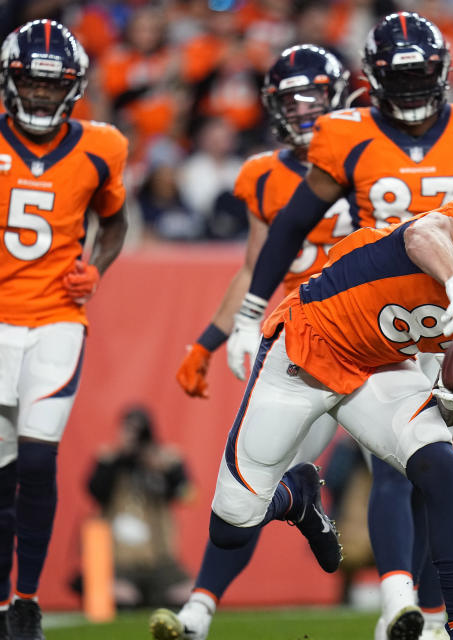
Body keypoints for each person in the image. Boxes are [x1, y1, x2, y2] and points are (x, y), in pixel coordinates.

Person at [224, 13, 453, 640]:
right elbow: (292, 222)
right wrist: (248, 308)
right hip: (379, 311)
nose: (412, 90)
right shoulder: (348, 135)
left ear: (443, 73)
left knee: (434, 463)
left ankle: (425, 612)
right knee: (393, 464)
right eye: (400, 79)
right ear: (373, 81)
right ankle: (396, 601)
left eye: (421, 76)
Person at [185, 197, 453, 640]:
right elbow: (422, 235)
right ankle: (295, 498)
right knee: (232, 526)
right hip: (307, 346)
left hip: (380, 366)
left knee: (439, 465)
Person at [0, 20, 128, 640]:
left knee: (39, 459)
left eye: (52, 86)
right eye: (30, 85)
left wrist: (97, 264)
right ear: (9, 82)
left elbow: (115, 222)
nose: (39, 97)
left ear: (74, 87)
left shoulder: (101, 146)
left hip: (57, 319)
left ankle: (28, 603)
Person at [151, 43, 354, 640]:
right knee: (257, 480)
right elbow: (250, 268)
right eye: (294, 99)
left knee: (414, 467)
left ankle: (413, 607)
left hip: (373, 331)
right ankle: (201, 608)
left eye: (315, 95)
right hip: (301, 342)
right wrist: (209, 340)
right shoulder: (263, 173)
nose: (306, 110)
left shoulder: (368, 154)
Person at [87, 407, 193, 608]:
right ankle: (146, 599)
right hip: (120, 562)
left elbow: (185, 493)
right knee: (121, 597)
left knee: (193, 595)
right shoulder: (109, 459)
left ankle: (155, 596)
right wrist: (120, 457)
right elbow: (95, 492)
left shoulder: (164, 460)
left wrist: (163, 469)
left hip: (160, 560)